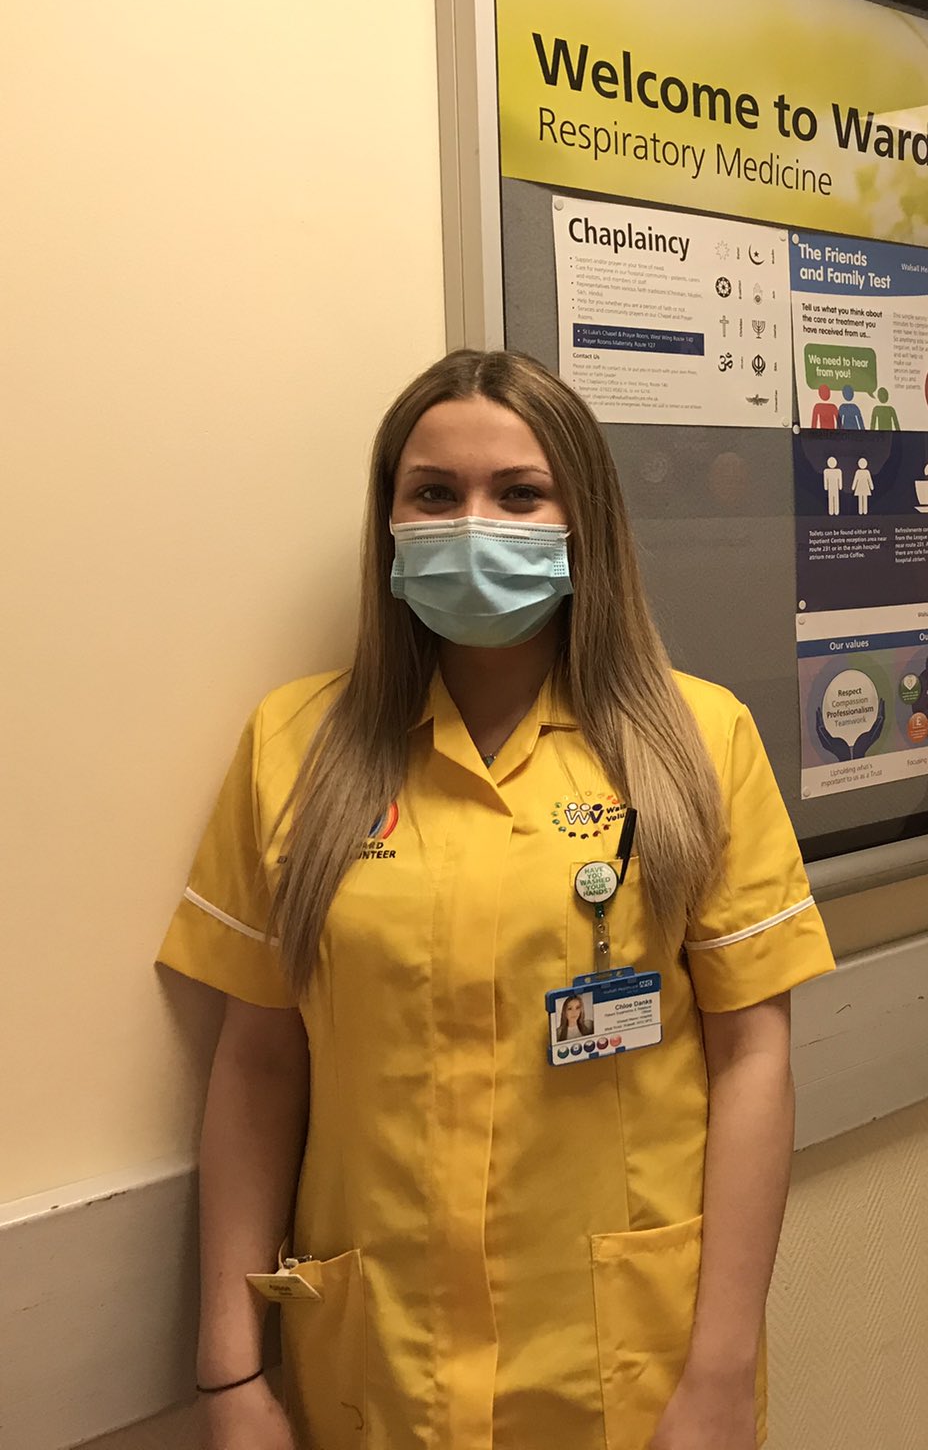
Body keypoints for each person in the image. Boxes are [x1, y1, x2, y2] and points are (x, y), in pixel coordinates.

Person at [159, 350, 834, 1449]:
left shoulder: (698, 741)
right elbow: (258, 1061)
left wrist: (719, 1370)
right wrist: (229, 1374)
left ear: (583, 522)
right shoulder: (296, 746)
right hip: (378, 1362)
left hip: (627, 1362)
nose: (474, 524)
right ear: (390, 522)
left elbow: (751, 1060)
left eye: (519, 494)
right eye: (435, 493)